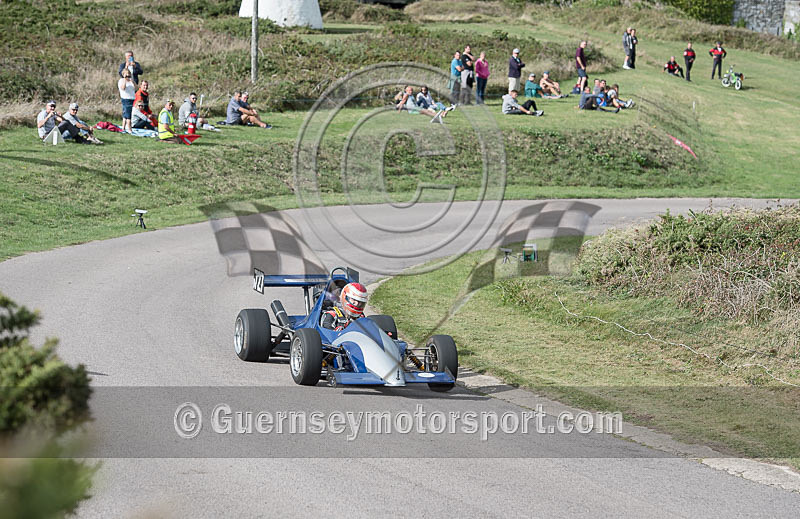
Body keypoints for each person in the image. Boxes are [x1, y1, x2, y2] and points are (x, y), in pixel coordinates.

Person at [118, 69, 136, 133]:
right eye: (127, 75)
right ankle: (130, 129)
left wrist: (132, 81)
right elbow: (123, 88)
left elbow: (135, 88)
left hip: (132, 98)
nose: (128, 77)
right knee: (128, 115)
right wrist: (125, 80)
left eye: (129, 75)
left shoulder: (131, 80)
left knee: (125, 114)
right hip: (126, 99)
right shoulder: (121, 81)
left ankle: (123, 127)